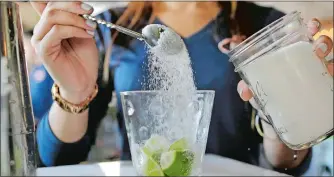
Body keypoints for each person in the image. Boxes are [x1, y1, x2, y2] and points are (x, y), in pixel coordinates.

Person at [29, 1, 333, 175]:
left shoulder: (264, 27)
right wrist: (75, 93)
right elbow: (55, 160)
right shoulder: (110, 28)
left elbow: (287, 165)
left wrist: (285, 116)